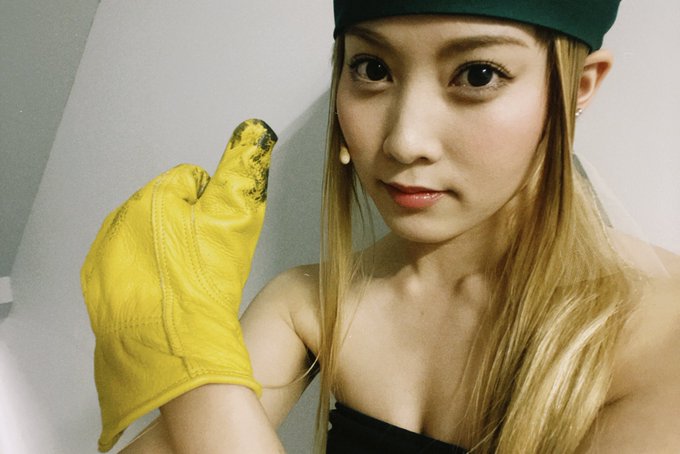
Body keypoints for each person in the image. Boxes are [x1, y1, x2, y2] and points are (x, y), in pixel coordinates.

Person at [81, 1, 680, 453]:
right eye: (372, 68)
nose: (404, 140)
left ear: (578, 87)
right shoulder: (311, 304)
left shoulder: (662, 331)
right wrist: (180, 330)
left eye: (477, 75)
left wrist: (188, 347)